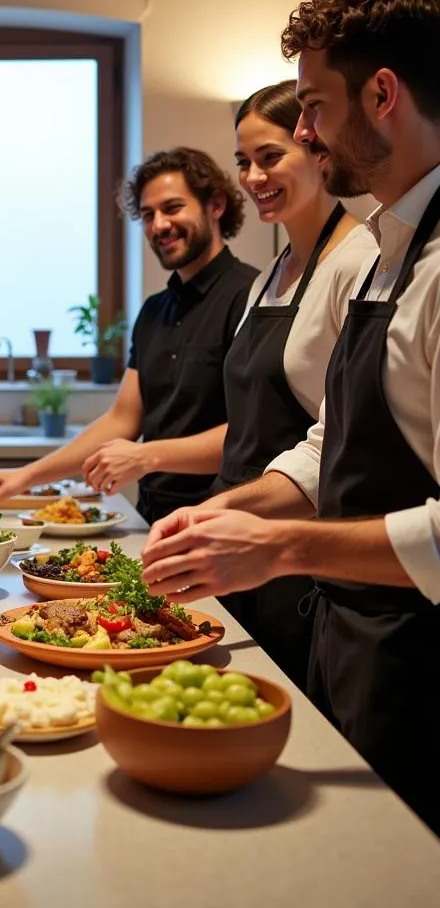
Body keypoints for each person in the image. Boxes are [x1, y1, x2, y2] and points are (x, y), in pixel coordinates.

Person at [140, 0, 440, 834]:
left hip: (419, 663)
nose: (305, 133)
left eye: (312, 107)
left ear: (382, 93)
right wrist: (234, 508)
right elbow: (333, 439)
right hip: (356, 642)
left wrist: (279, 546)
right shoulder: (393, 241)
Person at [93, 83, 374, 689]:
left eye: (269, 156)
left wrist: (215, 509)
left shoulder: (359, 260)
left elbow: (334, 445)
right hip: (232, 537)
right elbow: (249, 428)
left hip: (285, 544)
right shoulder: (269, 278)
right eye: (244, 161)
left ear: (319, 148)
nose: (253, 174)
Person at [0, 147, 258, 523]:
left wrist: (145, 455)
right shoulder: (154, 311)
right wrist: (24, 476)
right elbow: (122, 419)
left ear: (216, 205)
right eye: (147, 215)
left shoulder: (254, 297)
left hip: (222, 520)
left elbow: (251, 435)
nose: (158, 225)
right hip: (151, 517)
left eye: (172, 208)